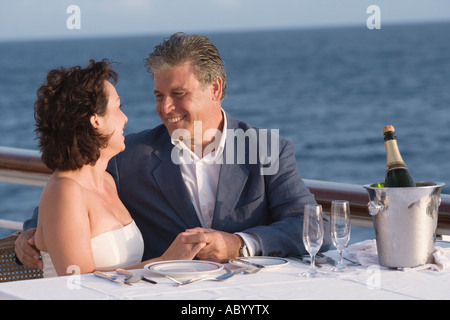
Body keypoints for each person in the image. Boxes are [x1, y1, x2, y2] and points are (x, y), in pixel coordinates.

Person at [16, 33, 330, 269]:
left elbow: (314, 229)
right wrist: (28, 235)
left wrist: (239, 244)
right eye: (158, 95)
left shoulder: (267, 149)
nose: (166, 108)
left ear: (215, 89)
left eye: (178, 94)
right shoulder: (130, 157)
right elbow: (66, 197)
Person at [31, 59, 205, 277]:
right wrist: (165, 262)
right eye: (118, 107)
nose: (125, 118)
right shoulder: (65, 191)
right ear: (95, 121)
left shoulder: (107, 181)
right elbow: (78, 284)